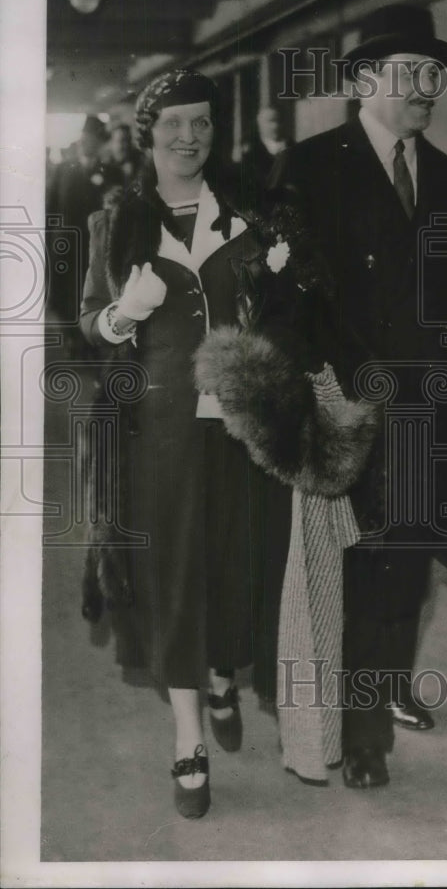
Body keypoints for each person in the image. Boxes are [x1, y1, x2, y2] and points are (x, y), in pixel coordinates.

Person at [272, 4, 447, 789]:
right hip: (344, 404)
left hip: (430, 407)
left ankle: (385, 688)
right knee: (358, 569)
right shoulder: (310, 168)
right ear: (365, 80)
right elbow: (284, 302)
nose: (430, 87)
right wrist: (312, 394)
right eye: (413, 73)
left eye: (436, 74)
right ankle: (361, 739)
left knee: (410, 561)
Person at [79, 69, 295, 818]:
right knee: (172, 571)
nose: (189, 136)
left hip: (240, 425)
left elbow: (288, 316)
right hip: (159, 435)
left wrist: (281, 283)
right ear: (149, 134)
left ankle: (223, 676)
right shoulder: (118, 222)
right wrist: (122, 313)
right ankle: (186, 738)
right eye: (173, 123)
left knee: (235, 559)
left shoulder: (248, 213)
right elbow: (89, 327)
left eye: (201, 122)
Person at [47, 114, 109, 337]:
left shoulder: (109, 172)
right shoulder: (64, 170)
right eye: (83, 137)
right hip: (65, 246)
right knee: (65, 295)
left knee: (90, 296)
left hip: (94, 248)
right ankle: (72, 340)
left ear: (99, 142)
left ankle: (88, 341)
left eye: (90, 138)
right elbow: (51, 209)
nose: (85, 142)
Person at [241, 106, 291, 187]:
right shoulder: (251, 152)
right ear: (260, 124)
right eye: (270, 121)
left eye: (279, 121)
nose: (275, 126)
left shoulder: (292, 146)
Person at [101, 122, 143, 204]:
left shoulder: (140, 165)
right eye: (121, 141)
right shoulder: (104, 168)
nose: (126, 146)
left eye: (128, 140)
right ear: (112, 143)